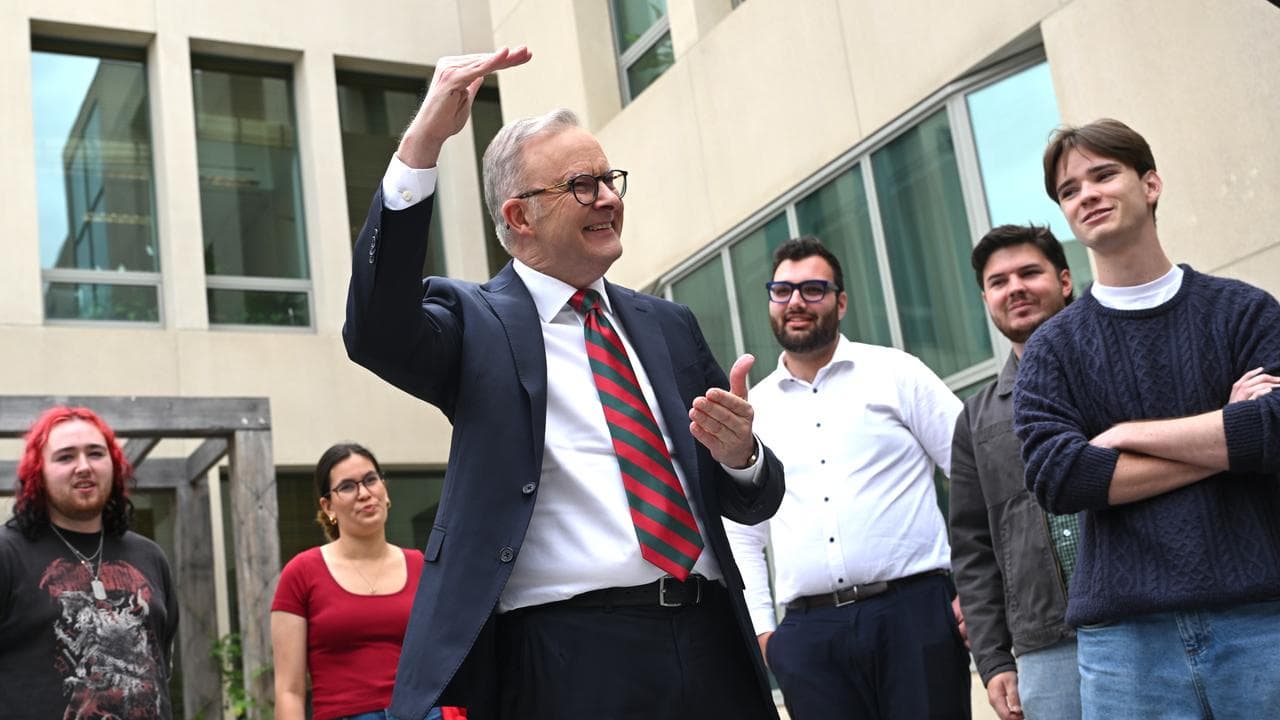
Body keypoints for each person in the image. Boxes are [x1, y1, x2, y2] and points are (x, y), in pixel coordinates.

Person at [343, 47, 785, 720]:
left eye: (610, 180)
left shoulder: (667, 324)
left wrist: (742, 457)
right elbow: (375, 327)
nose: (608, 198)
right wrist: (424, 141)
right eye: (583, 185)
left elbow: (753, 501)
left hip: (709, 639)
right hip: (567, 657)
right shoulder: (475, 323)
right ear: (519, 218)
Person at [1014, 118, 1280, 716]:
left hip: (1261, 620)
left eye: (1103, 174)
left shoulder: (1242, 311)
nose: (1087, 194)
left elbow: (1275, 429)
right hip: (1124, 644)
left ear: (1151, 184)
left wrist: (1127, 436)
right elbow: (1062, 479)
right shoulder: (1054, 349)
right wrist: (1225, 430)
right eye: (1069, 189)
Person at [726, 236, 970, 719]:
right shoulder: (756, 410)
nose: (796, 302)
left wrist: (974, 587)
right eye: (782, 291)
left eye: (813, 289)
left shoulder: (897, 373)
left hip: (916, 617)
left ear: (841, 302)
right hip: (808, 639)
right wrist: (766, 634)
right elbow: (742, 534)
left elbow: (973, 473)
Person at [949, 224, 1080, 720]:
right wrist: (993, 657)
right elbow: (973, 550)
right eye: (999, 282)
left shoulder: (1109, 368)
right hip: (1044, 646)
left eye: (1030, 272)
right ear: (986, 298)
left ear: (1064, 280)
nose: (1016, 288)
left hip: (1137, 619)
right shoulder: (976, 418)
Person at [0, 406, 179, 719]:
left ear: (114, 464)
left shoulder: (150, 557)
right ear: (38, 472)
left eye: (95, 454)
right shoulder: (7, 553)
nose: (83, 466)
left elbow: (160, 661)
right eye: (65, 457)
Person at [272, 443, 461, 720]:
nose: (364, 493)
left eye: (371, 480)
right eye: (347, 487)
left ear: (384, 490)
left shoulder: (423, 566)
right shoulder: (300, 573)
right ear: (328, 506)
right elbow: (289, 690)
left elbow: (450, 658)